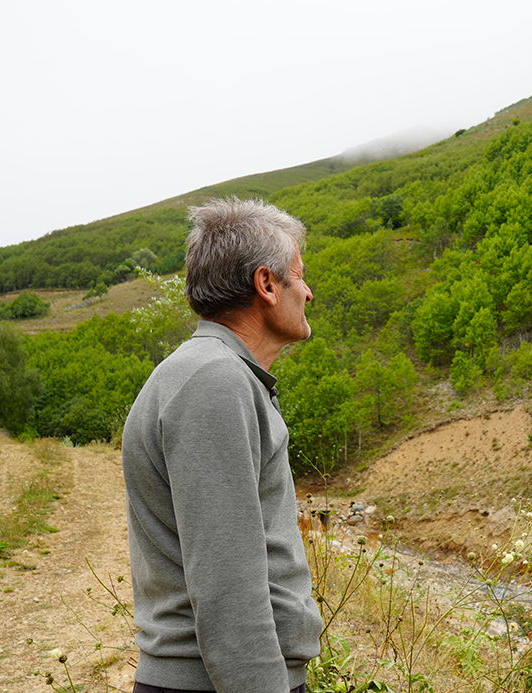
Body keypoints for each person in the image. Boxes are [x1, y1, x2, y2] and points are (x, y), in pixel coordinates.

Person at [122, 197, 322, 693]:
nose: (309, 292)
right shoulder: (214, 382)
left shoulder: (216, 375)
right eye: (300, 276)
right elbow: (227, 583)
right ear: (267, 284)